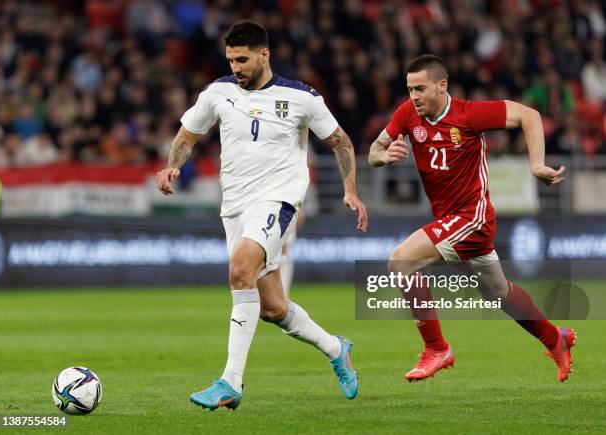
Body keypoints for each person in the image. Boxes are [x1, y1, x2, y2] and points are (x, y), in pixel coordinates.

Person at [156, 21, 368, 410]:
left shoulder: (300, 97)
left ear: (264, 55)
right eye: (231, 59)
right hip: (234, 206)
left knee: (240, 271)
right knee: (273, 308)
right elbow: (188, 135)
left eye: (243, 59)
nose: (235, 67)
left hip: (278, 199)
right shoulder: (217, 92)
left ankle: (230, 382)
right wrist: (172, 166)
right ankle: (336, 348)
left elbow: (340, 141)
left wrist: (350, 190)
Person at [368, 54, 575, 383]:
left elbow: (529, 115)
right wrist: (384, 155)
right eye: (409, 89)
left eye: (420, 89)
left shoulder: (468, 114)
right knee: (499, 294)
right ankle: (555, 339)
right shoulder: (408, 114)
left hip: (472, 217)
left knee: (400, 262)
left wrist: (536, 164)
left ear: (441, 85)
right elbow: (374, 151)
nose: (414, 97)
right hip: (449, 219)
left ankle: (436, 348)